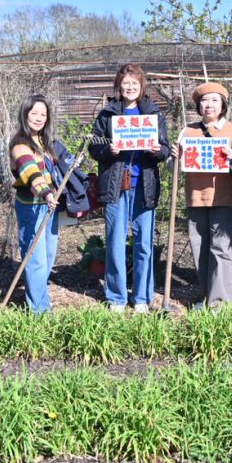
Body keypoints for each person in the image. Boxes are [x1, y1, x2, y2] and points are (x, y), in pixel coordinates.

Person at [89, 63, 171, 313]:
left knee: (144, 243)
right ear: (119, 86)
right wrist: (108, 151)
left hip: (144, 186)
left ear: (141, 85)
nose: (130, 87)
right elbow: (95, 147)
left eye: (134, 83)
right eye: (125, 84)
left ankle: (143, 298)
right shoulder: (107, 114)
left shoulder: (154, 114)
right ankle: (116, 296)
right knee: (115, 241)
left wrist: (157, 151)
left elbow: (165, 149)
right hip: (116, 186)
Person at [8, 94, 90, 314]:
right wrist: (46, 192)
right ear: (25, 115)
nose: (38, 118)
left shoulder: (46, 143)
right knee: (35, 259)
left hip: (49, 206)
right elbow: (30, 172)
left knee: (48, 256)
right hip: (32, 206)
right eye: (34, 113)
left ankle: (41, 300)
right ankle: (39, 312)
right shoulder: (19, 144)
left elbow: (60, 165)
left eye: (43, 114)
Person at [179, 82, 232, 311]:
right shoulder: (188, 131)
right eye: (204, 100)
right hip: (195, 196)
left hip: (223, 197)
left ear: (223, 104)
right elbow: (176, 166)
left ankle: (220, 304)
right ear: (198, 105)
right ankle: (206, 296)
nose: (209, 105)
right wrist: (176, 154)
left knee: (222, 249)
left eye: (215, 100)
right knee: (200, 247)